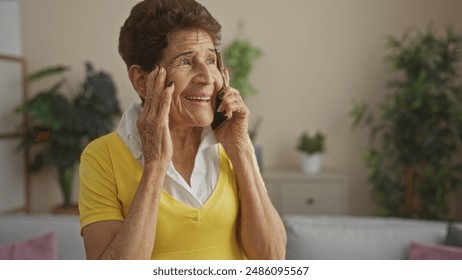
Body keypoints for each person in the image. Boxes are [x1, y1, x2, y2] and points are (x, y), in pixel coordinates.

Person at [78, 0, 286, 260]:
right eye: (186, 61)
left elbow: (272, 258)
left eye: (211, 60)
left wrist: (240, 149)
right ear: (141, 80)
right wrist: (154, 164)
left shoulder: (233, 144)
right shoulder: (101, 157)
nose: (207, 77)